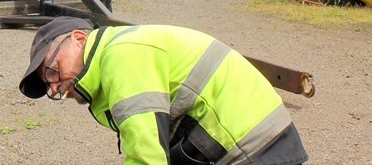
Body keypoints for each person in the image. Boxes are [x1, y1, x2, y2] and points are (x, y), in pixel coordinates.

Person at [19, 17, 308, 165]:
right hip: (250, 140)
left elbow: (147, 155)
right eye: (49, 86)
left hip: (254, 147)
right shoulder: (116, 52)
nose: (56, 86)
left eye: (53, 70)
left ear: (79, 39)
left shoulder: (122, 57)